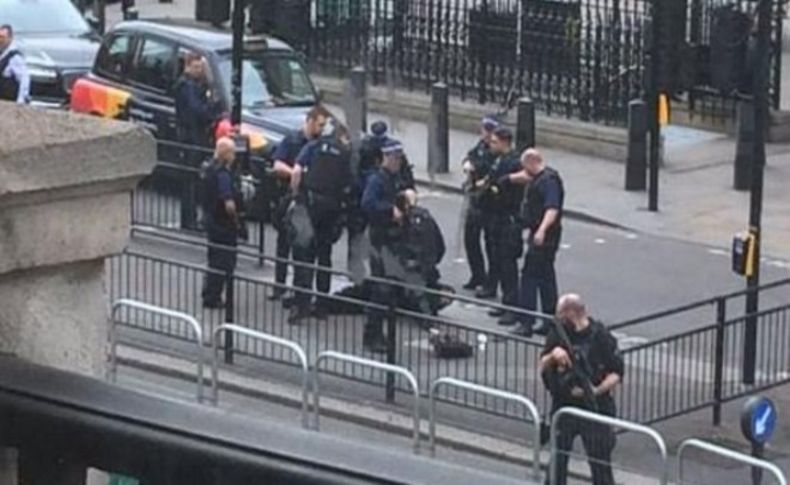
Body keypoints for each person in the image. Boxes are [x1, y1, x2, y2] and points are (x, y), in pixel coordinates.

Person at [540, 294, 623, 485]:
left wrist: (595, 391)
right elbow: (542, 365)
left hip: (595, 408)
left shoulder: (600, 336)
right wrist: (553, 355)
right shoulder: (558, 333)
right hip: (564, 407)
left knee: (600, 465)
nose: (558, 319)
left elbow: (616, 372)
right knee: (557, 462)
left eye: (561, 314)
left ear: (572, 313)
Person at [288, 124, 353, 322]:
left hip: (310, 205)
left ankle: (301, 305)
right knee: (325, 256)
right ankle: (322, 306)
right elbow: (349, 183)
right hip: (331, 208)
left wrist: (296, 194)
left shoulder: (313, 147)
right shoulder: (344, 154)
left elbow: (296, 172)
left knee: (304, 256)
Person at [269, 107, 329, 301]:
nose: (322, 129)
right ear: (310, 121)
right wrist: (296, 173)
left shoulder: (320, 145)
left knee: (303, 248)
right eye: (320, 124)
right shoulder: (293, 140)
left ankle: (299, 290)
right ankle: (279, 285)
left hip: (310, 201)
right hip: (290, 195)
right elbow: (277, 165)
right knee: (283, 244)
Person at [360, 139, 410, 352]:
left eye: (399, 158)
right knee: (381, 289)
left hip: (394, 239)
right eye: (394, 158)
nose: (397, 161)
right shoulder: (377, 179)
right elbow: (367, 203)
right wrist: (390, 210)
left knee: (389, 289)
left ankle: (381, 333)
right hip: (380, 239)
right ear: (385, 158)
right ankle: (372, 335)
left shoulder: (395, 177)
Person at [511, 148, 565, 337]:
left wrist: (541, 230)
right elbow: (524, 178)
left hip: (544, 237)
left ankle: (526, 321)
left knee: (529, 277)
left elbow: (552, 209)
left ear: (532, 162)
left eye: (525, 167)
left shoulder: (548, 182)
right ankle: (551, 321)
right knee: (546, 278)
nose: (524, 172)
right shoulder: (544, 178)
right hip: (545, 235)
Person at [475, 128, 524, 326]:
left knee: (508, 265)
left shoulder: (514, 162)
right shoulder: (498, 159)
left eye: (495, 142)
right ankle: (506, 303)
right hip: (495, 215)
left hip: (508, 218)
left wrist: (503, 182)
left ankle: (513, 307)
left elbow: (523, 178)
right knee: (498, 261)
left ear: (505, 142)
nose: (491, 145)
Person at [202, 138, 246, 308]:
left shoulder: (209, 169)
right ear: (226, 154)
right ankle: (214, 297)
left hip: (212, 220)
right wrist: (237, 221)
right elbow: (228, 203)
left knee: (214, 259)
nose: (235, 156)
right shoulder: (223, 175)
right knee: (224, 262)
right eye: (233, 152)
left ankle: (209, 293)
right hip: (223, 225)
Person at [461, 115, 499, 291]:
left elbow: (488, 168)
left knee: (491, 245)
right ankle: (477, 275)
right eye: (484, 129)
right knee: (470, 239)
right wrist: (467, 163)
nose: (484, 133)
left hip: (489, 203)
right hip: (475, 200)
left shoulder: (495, 150)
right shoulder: (481, 146)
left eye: (488, 130)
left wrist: (474, 166)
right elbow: (470, 156)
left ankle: (491, 283)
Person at [174, 52, 220, 158]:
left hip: (195, 129)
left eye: (200, 67)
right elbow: (196, 108)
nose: (198, 70)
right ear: (187, 67)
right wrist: (212, 108)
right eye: (195, 67)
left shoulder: (196, 83)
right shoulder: (186, 85)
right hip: (190, 131)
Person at [0, 25, 30, 104]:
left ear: (10, 38)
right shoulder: (2, 54)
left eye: (2, 37)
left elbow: (24, 79)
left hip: (8, 102)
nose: (0, 40)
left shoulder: (15, 57)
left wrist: (20, 100)